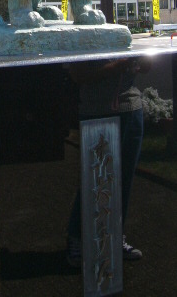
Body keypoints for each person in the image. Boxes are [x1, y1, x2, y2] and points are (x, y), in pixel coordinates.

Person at [66, 56, 147, 266]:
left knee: (124, 181)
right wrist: (117, 66)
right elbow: (78, 75)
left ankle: (115, 236)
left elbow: (146, 66)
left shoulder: (124, 33)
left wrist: (143, 61)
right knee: (93, 181)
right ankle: (77, 238)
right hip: (97, 111)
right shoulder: (85, 32)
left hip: (131, 109)